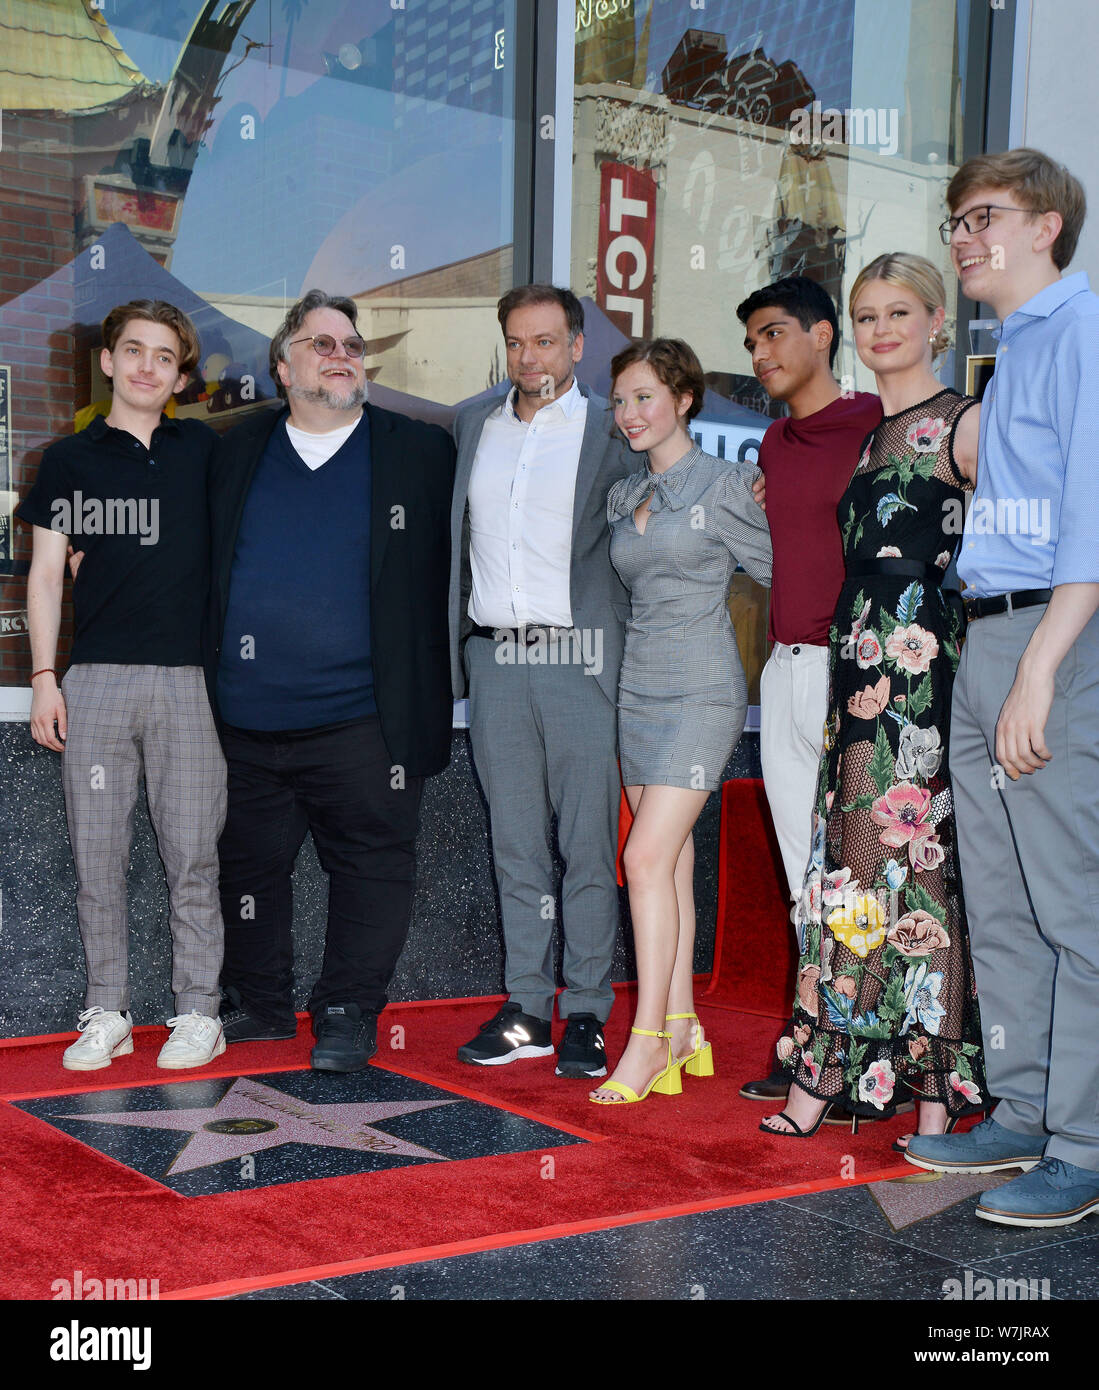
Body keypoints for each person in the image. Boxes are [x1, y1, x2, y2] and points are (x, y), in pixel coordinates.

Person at [905, 150, 1099, 1227]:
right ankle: (1023, 1109)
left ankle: (1084, 1143)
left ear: (1047, 227)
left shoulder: (1083, 334)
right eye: (956, 221)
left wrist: (1038, 668)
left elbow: (1093, 519)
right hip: (987, 637)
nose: (964, 236)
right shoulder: (1012, 352)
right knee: (1008, 911)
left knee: (1075, 907)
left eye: (985, 217)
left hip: (1052, 643)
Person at [761, 253, 986, 1143]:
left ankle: (930, 1092)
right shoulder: (864, 434)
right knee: (847, 873)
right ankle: (835, 1068)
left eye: (898, 312)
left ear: (938, 321)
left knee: (918, 868)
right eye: (865, 315)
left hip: (924, 673)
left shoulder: (965, 424)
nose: (880, 329)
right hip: (854, 672)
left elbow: (1022, 545)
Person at [207, 289, 454, 1072]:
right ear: (282, 367)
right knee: (246, 868)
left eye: (351, 343)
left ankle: (347, 1011)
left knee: (371, 867)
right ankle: (261, 1004)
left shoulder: (420, 451)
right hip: (242, 717)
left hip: (365, 719)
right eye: (321, 343)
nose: (343, 353)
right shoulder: (230, 451)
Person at [20, 299, 227, 1071]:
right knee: (97, 859)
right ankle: (107, 1011)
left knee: (193, 856)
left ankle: (198, 1012)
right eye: (133, 350)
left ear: (179, 374)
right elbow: (45, 575)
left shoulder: (204, 452)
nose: (147, 366)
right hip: (98, 681)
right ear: (107, 362)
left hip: (189, 684)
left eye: (164, 356)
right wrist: (46, 678)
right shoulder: (70, 461)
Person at [449, 285, 634, 1077]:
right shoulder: (471, 425)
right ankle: (526, 1006)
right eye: (517, 344)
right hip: (495, 658)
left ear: (576, 346)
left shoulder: (609, 428)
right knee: (515, 844)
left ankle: (587, 1010)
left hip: (578, 658)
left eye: (546, 343)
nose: (531, 359)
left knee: (587, 846)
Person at [590, 339, 771, 1103]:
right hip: (639, 692)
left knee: (641, 860)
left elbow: (784, 572)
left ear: (683, 400)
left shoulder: (730, 484)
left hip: (702, 692)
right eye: (621, 400)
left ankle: (648, 1043)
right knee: (665, 865)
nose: (630, 413)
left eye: (645, 397)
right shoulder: (620, 495)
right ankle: (687, 1024)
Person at [734, 276, 883, 1106]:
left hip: (854, 669)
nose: (760, 354)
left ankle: (871, 1058)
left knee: (860, 871)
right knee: (805, 877)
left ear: (824, 335)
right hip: (783, 671)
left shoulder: (873, 425)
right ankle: (817, 1045)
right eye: (751, 341)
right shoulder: (769, 445)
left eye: (774, 334)